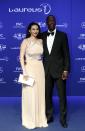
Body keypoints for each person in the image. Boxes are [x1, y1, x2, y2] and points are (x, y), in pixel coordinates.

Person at [42, 15, 70, 128]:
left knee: (62, 96)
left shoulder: (62, 36)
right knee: (47, 96)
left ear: (56, 22)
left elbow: (66, 55)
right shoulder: (42, 35)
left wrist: (66, 69)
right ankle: (49, 116)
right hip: (46, 71)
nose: (51, 22)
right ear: (46, 23)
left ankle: (63, 119)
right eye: (49, 21)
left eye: (53, 20)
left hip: (59, 71)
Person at [20, 22, 48, 129]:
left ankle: (40, 119)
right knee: (30, 94)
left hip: (40, 68)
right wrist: (25, 71)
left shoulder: (41, 41)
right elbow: (21, 57)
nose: (35, 31)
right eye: (33, 29)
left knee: (40, 93)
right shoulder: (25, 41)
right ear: (29, 30)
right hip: (29, 69)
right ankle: (29, 120)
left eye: (37, 29)